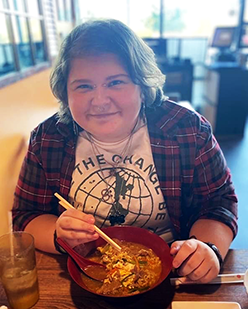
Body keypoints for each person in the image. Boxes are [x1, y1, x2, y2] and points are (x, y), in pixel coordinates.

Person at [12, 19, 238, 284]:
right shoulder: (48, 138)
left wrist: (206, 250)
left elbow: (218, 202)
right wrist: (57, 234)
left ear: (143, 86)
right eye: (83, 86)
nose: (99, 101)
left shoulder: (187, 129)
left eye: (115, 82)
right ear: (65, 92)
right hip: (86, 275)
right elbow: (26, 214)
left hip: (171, 273)